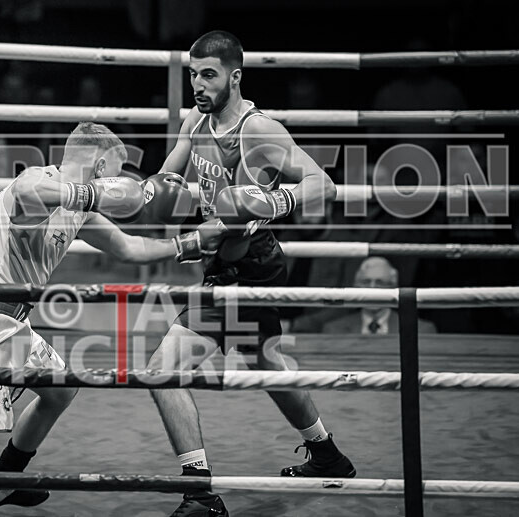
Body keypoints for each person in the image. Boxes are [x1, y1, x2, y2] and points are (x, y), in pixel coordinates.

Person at [0, 122, 224, 517]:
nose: (117, 187)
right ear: (100, 167)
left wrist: (189, 242)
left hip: (12, 325)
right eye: (115, 176)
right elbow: (26, 192)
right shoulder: (39, 180)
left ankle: (5, 479)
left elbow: (130, 247)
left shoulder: (80, 212)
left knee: (62, 389)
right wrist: (88, 192)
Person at [144, 31, 352, 517]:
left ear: (234, 77)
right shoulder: (195, 122)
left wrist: (274, 200)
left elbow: (325, 185)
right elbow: (167, 180)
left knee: (160, 372)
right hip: (227, 259)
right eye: (193, 74)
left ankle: (199, 493)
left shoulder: (260, 130)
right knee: (266, 366)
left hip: (249, 264)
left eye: (209, 75)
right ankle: (326, 454)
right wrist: (148, 192)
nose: (198, 84)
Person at [322, 257, 438, 334]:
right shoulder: (333, 329)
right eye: (366, 282)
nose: (372, 288)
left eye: (380, 282)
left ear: (393, 288)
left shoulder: (420, 330)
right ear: (356, 287)